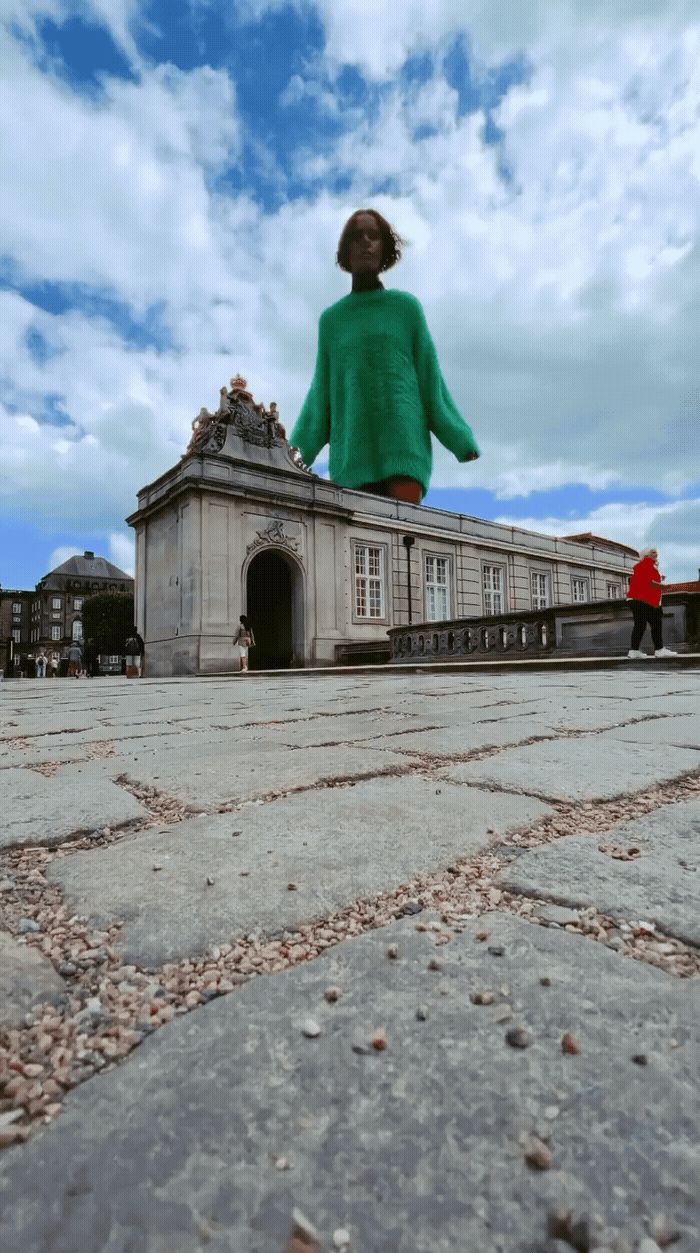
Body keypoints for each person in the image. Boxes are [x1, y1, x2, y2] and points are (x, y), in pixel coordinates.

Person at [289, 208, 480, 505]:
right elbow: (320, 397)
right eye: (356, 237)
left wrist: (459, 437)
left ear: (384, 248)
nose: (365, 243)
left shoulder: (406, 309)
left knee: (405, 545)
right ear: (346, 250)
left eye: (373, 236)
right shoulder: (332, 321)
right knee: (358, 548)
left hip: (404, 453)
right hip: (351, 461)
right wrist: (291, 456)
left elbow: (431, 381)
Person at [626, 548, 677, 658]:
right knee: (655, 623)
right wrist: (664, 586)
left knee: (640, 625)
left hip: (638, 599)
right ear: (646, 556)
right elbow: (649, 582)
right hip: (642, 600)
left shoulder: (647, 566)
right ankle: (659, 649)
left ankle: (634, 651)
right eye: (652, 552)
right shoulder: (644, 565)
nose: (656, 553)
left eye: (656, 552)